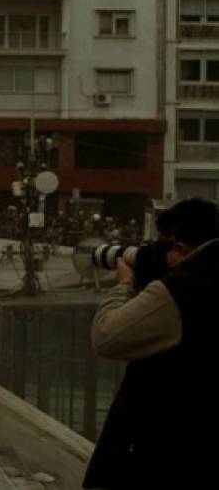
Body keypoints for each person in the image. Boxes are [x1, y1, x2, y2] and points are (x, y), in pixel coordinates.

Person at [84, 197, 219, 489]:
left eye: (162, 246)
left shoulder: (182, 290)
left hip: (160, 456)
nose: (155, 254)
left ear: (179, 246)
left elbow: (106, 337)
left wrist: (123, 285)